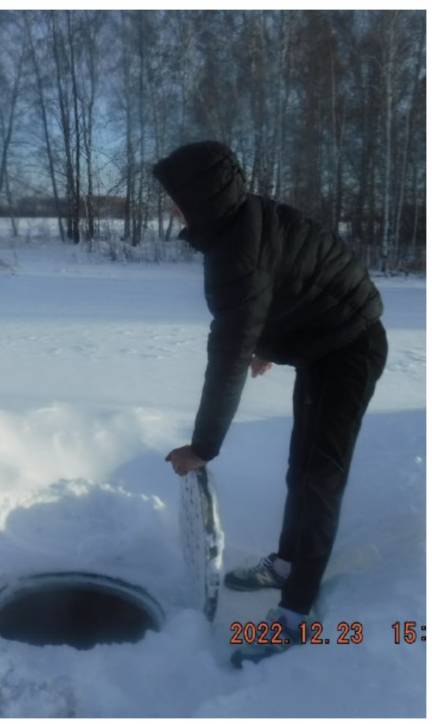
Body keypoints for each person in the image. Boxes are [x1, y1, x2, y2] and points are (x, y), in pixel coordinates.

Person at [152, 141, 386, 667]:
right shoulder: (240, 221)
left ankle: (296, 615)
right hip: (325, 343)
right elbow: (286, 285)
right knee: (300, 466)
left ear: (202, 198)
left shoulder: (236, 252)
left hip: (349, 348)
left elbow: (227, 357)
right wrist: (269, 346)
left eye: (177, 198)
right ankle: (287, 564)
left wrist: (203, 447)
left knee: (319, 479)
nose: (172, 208)